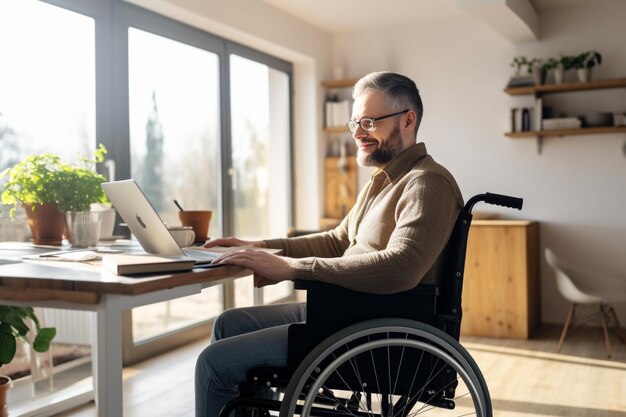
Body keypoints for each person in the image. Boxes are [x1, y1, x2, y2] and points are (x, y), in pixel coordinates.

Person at [195, 71, 464, 417]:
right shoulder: (382, 182)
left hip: (371, 324)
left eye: (369, 121)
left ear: (408, 120)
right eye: (355, 122)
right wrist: (261, 245)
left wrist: (292, 268)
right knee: (229, 324)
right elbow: (338, 240)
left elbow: (402, 268)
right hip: (348, 310)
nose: (357, 133)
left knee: (212, 364)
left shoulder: (427, 183)